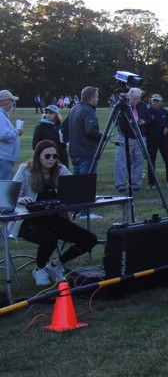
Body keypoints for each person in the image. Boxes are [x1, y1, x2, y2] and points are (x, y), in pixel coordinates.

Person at [11, 141, 99, 286]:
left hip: (54, 218)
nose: (51, 159)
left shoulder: (61, 169)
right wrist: (21, 200)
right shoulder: (25, 170)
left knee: (89, 239)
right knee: (49, 239)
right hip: (27, 221)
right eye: (47, 156)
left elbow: (75, 188)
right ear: (38, 156)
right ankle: (39, 269)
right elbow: (13, 195)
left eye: (54, 156)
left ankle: (54, 265)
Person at [113, 87, 149, 193]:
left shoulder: (142, 106)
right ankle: (120, 185)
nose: (136, 101)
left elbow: (149, 118)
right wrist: (130, 121)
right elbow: (116, 120)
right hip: (125, 137)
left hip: (139, 137)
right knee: (121, 161)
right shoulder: (122, 106)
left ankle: (135, 184)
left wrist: (144, 121)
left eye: (138, 98)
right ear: (128, 96)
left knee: (139, 161)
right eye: (134, 98)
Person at [65, 86, 101, 176]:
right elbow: (90, 130)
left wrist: (68, 143)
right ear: (91, 98)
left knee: (77, 181)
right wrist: (103, 137)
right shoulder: (88, 111)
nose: (97, 99)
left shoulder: (74, 109)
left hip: (74, 152)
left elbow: (63, 127)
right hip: (86, 153)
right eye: (96, 97)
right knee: (86, 181)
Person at [146, 94, 168, 188]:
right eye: (154, 101)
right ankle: (152, 182)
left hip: (164, 139)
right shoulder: (148, 112)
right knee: (151, 161)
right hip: (151, 139)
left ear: (161, 102)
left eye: (157, 101)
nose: (155, 103)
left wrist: (167, 128)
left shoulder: (165, 112)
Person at [0, 89, 22, 181]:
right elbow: (4, 135)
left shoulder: (3, 116)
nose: (13, 103)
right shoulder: (0, 116)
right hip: (3, 158)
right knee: (3, 185)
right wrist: (17, 132)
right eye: (12, 100)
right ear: (7, 101)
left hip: (5, 158)